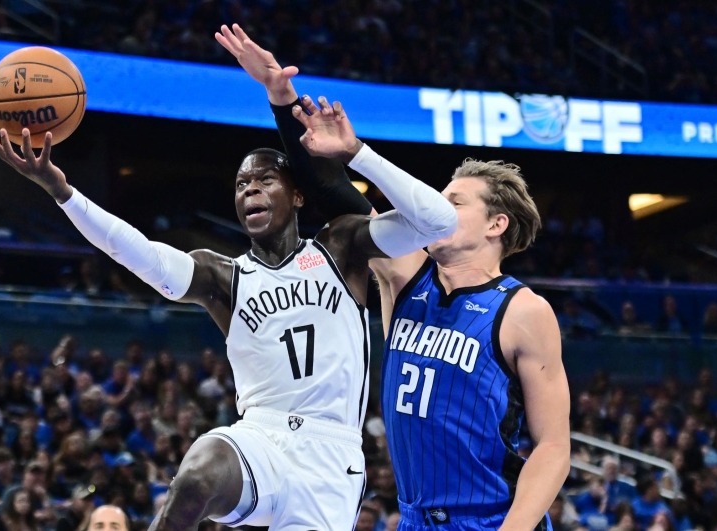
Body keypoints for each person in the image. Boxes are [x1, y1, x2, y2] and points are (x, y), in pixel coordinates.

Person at [0, 34, 456, 529]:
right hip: (259, 437)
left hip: (330, 457)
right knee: (199, 471)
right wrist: (63, 192)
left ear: (298, 196)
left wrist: (356, 153)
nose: (250, 187)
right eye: (241, 183)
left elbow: (438, 222)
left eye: (265, 179)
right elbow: (142, 255)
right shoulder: (223, 276)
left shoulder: (340, 246)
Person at [219, 23, 569, 531]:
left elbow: (554, 446)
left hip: (492, 519)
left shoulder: (524, 311)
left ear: (497, 224)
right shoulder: (406, 275)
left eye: (455, 202)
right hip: (414, 520)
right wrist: (281, 97)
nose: (437, 208)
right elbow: (332, 191)